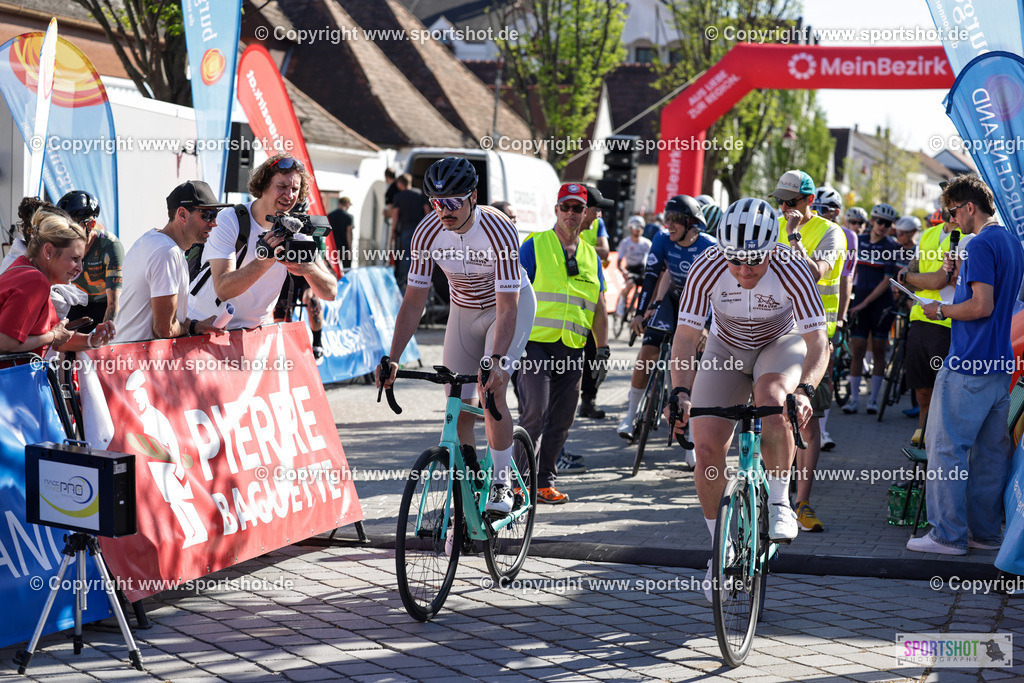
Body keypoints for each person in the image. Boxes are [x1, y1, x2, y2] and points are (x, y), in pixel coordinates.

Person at [669, 198, 827, 600]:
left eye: (754, 261)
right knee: (704, 447)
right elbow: (686, 337)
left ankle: (779, 501)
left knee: (772, 397)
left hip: (780, 343)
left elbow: (817, 341)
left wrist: (806, 388)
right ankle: (719, 549)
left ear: (772, 248)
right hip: (726, 350)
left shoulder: (792, 267)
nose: (743, 271)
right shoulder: (706, 266)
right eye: (735, 261)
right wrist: (680, 391)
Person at [378, 157, 536, 517]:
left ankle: (500, 481)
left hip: (507, 307)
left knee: (490, 389)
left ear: (473, 197)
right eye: (436, 202)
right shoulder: (426, 232)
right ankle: (466, 491)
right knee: (456, 405)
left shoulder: (499, 229)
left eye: (452, 202)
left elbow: (508, 306)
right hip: (463, 311)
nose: (443, 211)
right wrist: (393, 357)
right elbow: (413, 300)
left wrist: (497, 361)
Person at [908, 174, 1024, 555]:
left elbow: (981, 306)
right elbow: (994, 300)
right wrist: (956, 280)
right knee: (992, 455)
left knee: (945, 450)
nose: (950, 221)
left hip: (968, 364)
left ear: (969, 207)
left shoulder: (979, 245)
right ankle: (985, 534)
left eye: (953, 213)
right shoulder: (1010, 241)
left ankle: (947, 535)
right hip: (999, 366)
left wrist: (940, 307)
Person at [516, 183, 607, 504]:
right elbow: (511, 292)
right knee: (535, 412)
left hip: (573, 348)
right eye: (565, 207)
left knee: (563, 418)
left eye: (577, 209)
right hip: (534, 345)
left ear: (585, 215)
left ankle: (544, 482)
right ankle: (516, 480)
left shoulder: (590, 256)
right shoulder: (535, 244)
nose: (571, 214)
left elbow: (598, 306)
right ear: (556, 210)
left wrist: (603, 349)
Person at [617, 195, 715, 465]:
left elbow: (717, 292)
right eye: (666, 219)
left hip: (699, 304)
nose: (668, 225)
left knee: (689, 365)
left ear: (691, 224)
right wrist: (640, 311)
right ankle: (630, 416)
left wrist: (706, 326)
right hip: (672, 300)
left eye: (675, 220)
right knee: (648, 349)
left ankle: (691, 442)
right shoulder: (661, 239)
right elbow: (651, 275)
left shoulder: (710, 247)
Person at [188, 155, 337, 330]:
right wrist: (264, 261)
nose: (289, 195)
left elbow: (331, 292)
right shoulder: (230, 220)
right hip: (203, 329)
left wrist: (308, 269)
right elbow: (223, 289)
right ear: (264, 185)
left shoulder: (297, 230)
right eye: (282, 186)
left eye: (295, 189)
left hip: (250, 336)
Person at [775, 174, 845, 533]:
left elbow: (815, 273)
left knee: (808, 419)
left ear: (808, 202)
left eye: (790, 202)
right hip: (776, 336)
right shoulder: (771, 226)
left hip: (815, 339)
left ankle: (801, 501)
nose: (784, 209)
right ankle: (774, 497)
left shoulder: (831, 232)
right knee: (770, 416)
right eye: (780, 202)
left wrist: (794, 236)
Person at [115, 181, 230, 343]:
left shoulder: (156, 242)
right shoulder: (166, 252)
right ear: (182, 214)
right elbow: (165, 329)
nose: (214, 223)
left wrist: (194, 326)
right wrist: (189, 328)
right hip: (135, 363)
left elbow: (167, 322)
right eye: (207, 215)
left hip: (129, 357)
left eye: (215, 214)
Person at [895, 213, 969, 443]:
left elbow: (940, 280)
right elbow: (905, 275)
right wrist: (912, 276)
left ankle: (939, 450)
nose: (947, 206)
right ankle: (923, 448)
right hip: (919, 321)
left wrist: (912, 277)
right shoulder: (928, 234)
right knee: (922, 392)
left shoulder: (967, 237)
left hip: (946, 324)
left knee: (943, 396)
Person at [0, 212, 115, 354]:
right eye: (74, 258)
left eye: (81, 260)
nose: (80, 268)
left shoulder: (23, 267)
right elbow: (5, 342)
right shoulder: (35, 281)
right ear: (48, 251)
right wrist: (53, 336)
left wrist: (92, 340)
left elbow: (56, 340)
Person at [843, 203, 900, 414]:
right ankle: (854, 399)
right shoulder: (860, 241)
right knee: (857, 349)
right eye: (879, 221)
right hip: (859, 303)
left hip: (880, 305)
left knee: (878, 352)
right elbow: (850, 269)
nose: (882, 226)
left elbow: (887, 281)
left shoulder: (891, 246)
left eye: (887, 223)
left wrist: (865, 302)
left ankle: (873, 399)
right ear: (872, 221)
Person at [813, 186, 857, 452]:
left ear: (836, 212)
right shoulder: (806, 229)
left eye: (825, 209)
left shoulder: (846, 235)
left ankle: (822, 430)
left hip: (825, 318)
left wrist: (840, 319)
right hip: (793, 316)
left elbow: (846, 278)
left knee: (823, 375)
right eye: (816, 208)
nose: (819, 213)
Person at [59, 190, 123, 333]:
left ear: (91, 224)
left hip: (103, 304)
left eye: (73, 226)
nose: (66, 232)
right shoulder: (61, 244)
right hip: (76, 303)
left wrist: (104, 333)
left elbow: (114, 303)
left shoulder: (110, 246)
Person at [577, 185, 613, 419]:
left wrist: (581, 249)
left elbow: (605, 252)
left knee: (592, 350)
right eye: (597, 210)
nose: (600, 216)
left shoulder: (596, 225)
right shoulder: (551, 237)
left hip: (591, 295)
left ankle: (588, 400)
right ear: (585, 210)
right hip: (567, 305)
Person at [391, 173, 430, 291]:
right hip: (419, 230)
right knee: (421, 255)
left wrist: (393, 231)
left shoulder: (398, 196)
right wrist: (428, 229)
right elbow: (428, 212)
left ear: (400, 183)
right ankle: (422, 279)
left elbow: (395, 216)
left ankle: (408, 281)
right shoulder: (420, 194)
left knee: (407, 255)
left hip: (406, 229)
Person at [615, 216, 652, 317]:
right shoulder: (625, 243)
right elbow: (618, 262)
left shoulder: (647, 243)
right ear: (631, 228)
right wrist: (624, 272)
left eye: (641, 226)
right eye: (636, 226)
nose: (638, 229)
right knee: (629, 284)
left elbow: (651, 261)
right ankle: (621, 304)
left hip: (641, 270)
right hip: (630, 268)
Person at [327, 196, 354, 269]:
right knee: (346, 269)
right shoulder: (349, 217)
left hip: (332, 246)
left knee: (331, 269)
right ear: (347, 204)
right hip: (344, 247)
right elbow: (349, 233)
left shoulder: (330, 215)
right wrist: (349, 249)